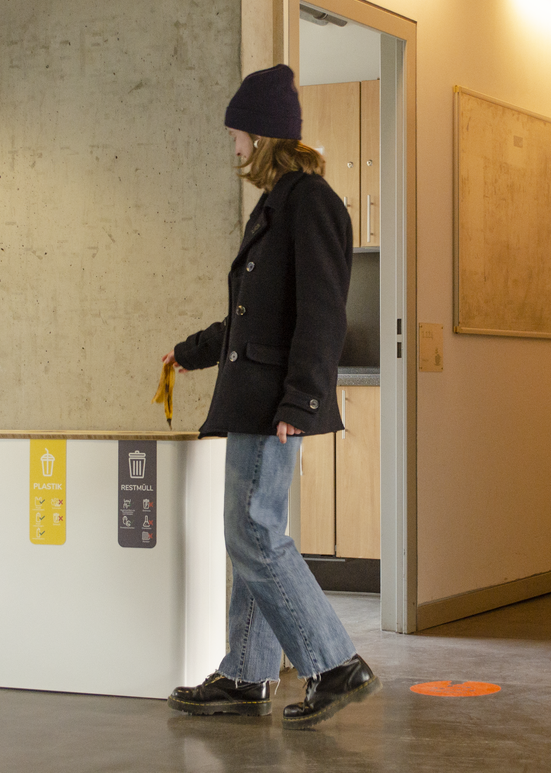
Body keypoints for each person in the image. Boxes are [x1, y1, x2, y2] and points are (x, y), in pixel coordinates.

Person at [162, 64, 379, 730]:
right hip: (256, 398)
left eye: (237, 134)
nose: (233, 146)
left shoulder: (311, 201)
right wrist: (192, 351)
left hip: (273, 405)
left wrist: (301, 401)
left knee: (253, 533)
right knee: (252, 537)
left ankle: (335, 663)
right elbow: (254, 317)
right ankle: (246, 674)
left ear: (260, 136)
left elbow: (323, 311)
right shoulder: (279, 202)